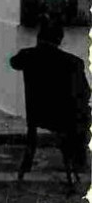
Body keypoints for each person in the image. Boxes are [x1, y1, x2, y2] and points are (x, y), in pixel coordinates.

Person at [9, 17, 90, 188]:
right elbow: (85, 92)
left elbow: (13, 63)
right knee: (84, 116)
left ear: (39, 37)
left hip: (37, 114)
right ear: (59, 40)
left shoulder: (27, 56)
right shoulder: (73, 62)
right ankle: (78, 162)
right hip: (64, 117)